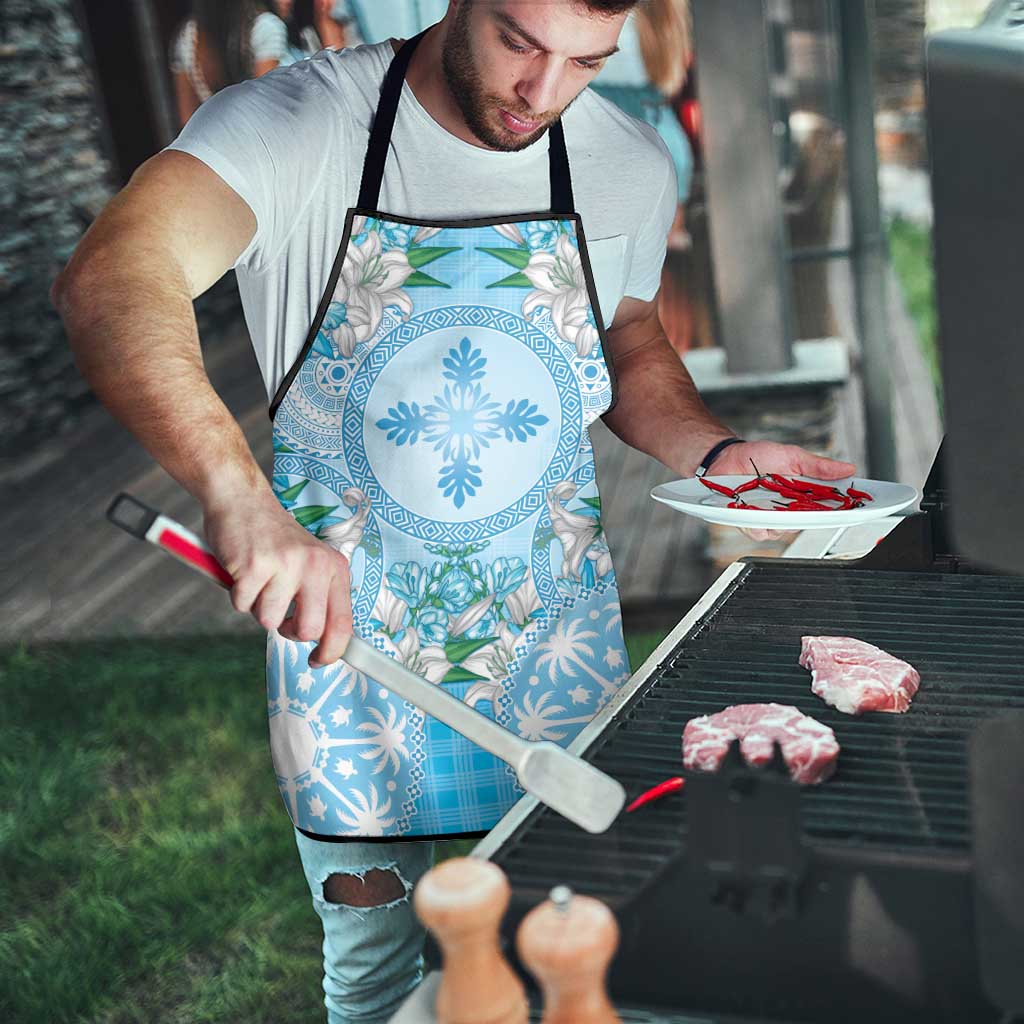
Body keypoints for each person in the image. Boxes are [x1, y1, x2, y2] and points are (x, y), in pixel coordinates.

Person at [53, 2, 856, 1020]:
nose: (543, 93)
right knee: (378, 977)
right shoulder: (297, 124)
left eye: (585, 62)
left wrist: (717, 448)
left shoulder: (624, 160)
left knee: (566, 954)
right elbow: (113, 275)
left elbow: (629, 336)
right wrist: (236, 496)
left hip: (550, 641)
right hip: (348, 655)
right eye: (521, 42)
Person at [170, 0, 288, 126]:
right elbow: (266, 107)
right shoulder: (265, 27)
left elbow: (187, 120)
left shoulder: (188, 37)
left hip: (215, 139)